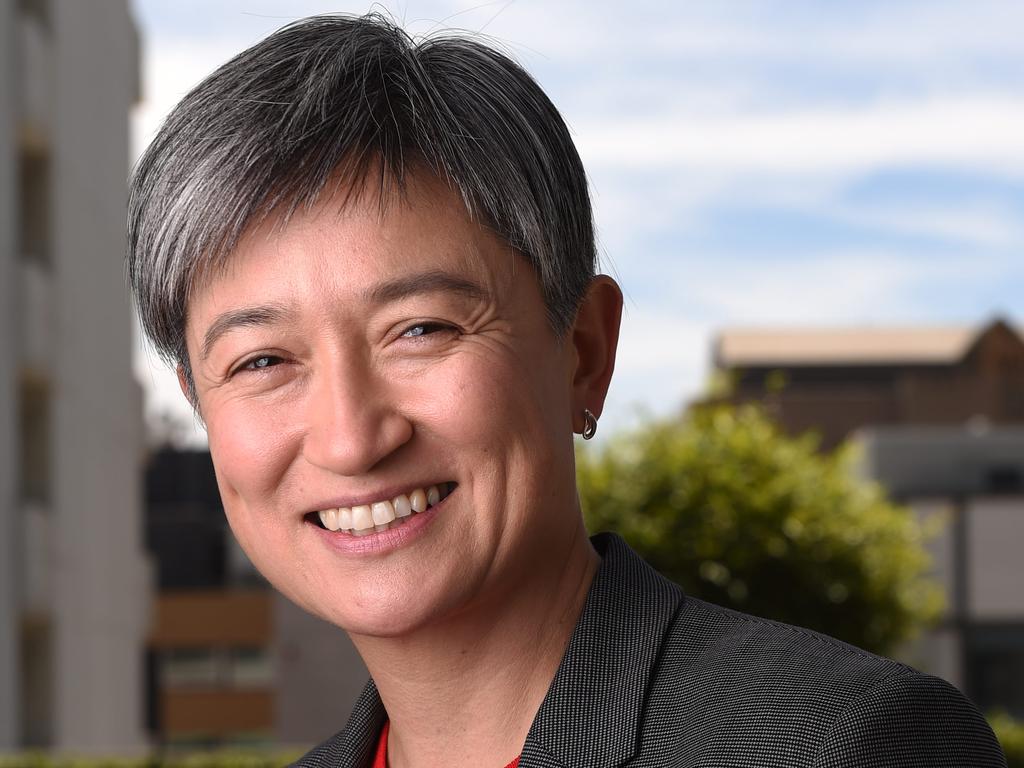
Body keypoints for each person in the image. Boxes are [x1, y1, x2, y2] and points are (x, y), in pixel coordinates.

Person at [127, 13, 1007, 768]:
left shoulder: (843, 745)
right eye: (263, 362)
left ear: (583, 349)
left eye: (422, 329)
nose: (352, 439)